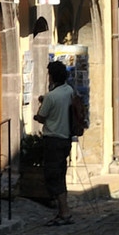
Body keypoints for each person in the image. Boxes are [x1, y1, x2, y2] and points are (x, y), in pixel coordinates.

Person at [34, 61, 77, 225]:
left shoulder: (51, 96)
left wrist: (41, 106)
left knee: (53, 176)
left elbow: (41, 117)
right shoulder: (69, 90)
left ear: (52, 76)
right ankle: (63, 211)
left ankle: (65, 212)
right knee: (60, 174)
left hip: (53, 139)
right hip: (66, 138)